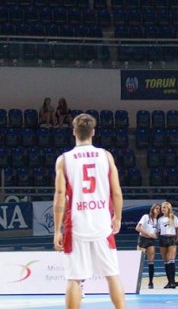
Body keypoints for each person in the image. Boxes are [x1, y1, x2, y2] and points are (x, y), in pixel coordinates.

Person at [53, 113, 125, 309]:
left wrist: (57, 230)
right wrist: (117, 217)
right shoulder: (106, 156)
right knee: (112, 275)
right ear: (93, 132)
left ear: (74, 131)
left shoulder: (64, 159)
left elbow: (60, 195)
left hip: (76, 224)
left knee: (74, 279)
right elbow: (116, 192)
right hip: (102, 222)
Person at [136, 203, 161, 289]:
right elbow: (138, 228)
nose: (158, 210)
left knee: (151, 261)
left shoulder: (157, 221)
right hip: (142, 239)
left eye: (159, 209)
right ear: (153, 209)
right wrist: (149, 234)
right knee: (139, 261)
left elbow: (156, 233)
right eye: (156, 208)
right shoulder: (146, 217)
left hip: (151, 241)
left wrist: (155, 235)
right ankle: (135, 281)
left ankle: (150, 282)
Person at [158, 201, 178, 288]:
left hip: (171, 238)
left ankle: (173, 282)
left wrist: (175, 240)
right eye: (162, 207)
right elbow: (159, 230)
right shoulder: (160, 219)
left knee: (171, 260)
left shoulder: (174, 218)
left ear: (168, 208)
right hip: (162, 238)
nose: (162, 209)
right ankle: (169, 281)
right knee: (166, 261)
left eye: (164, 207)